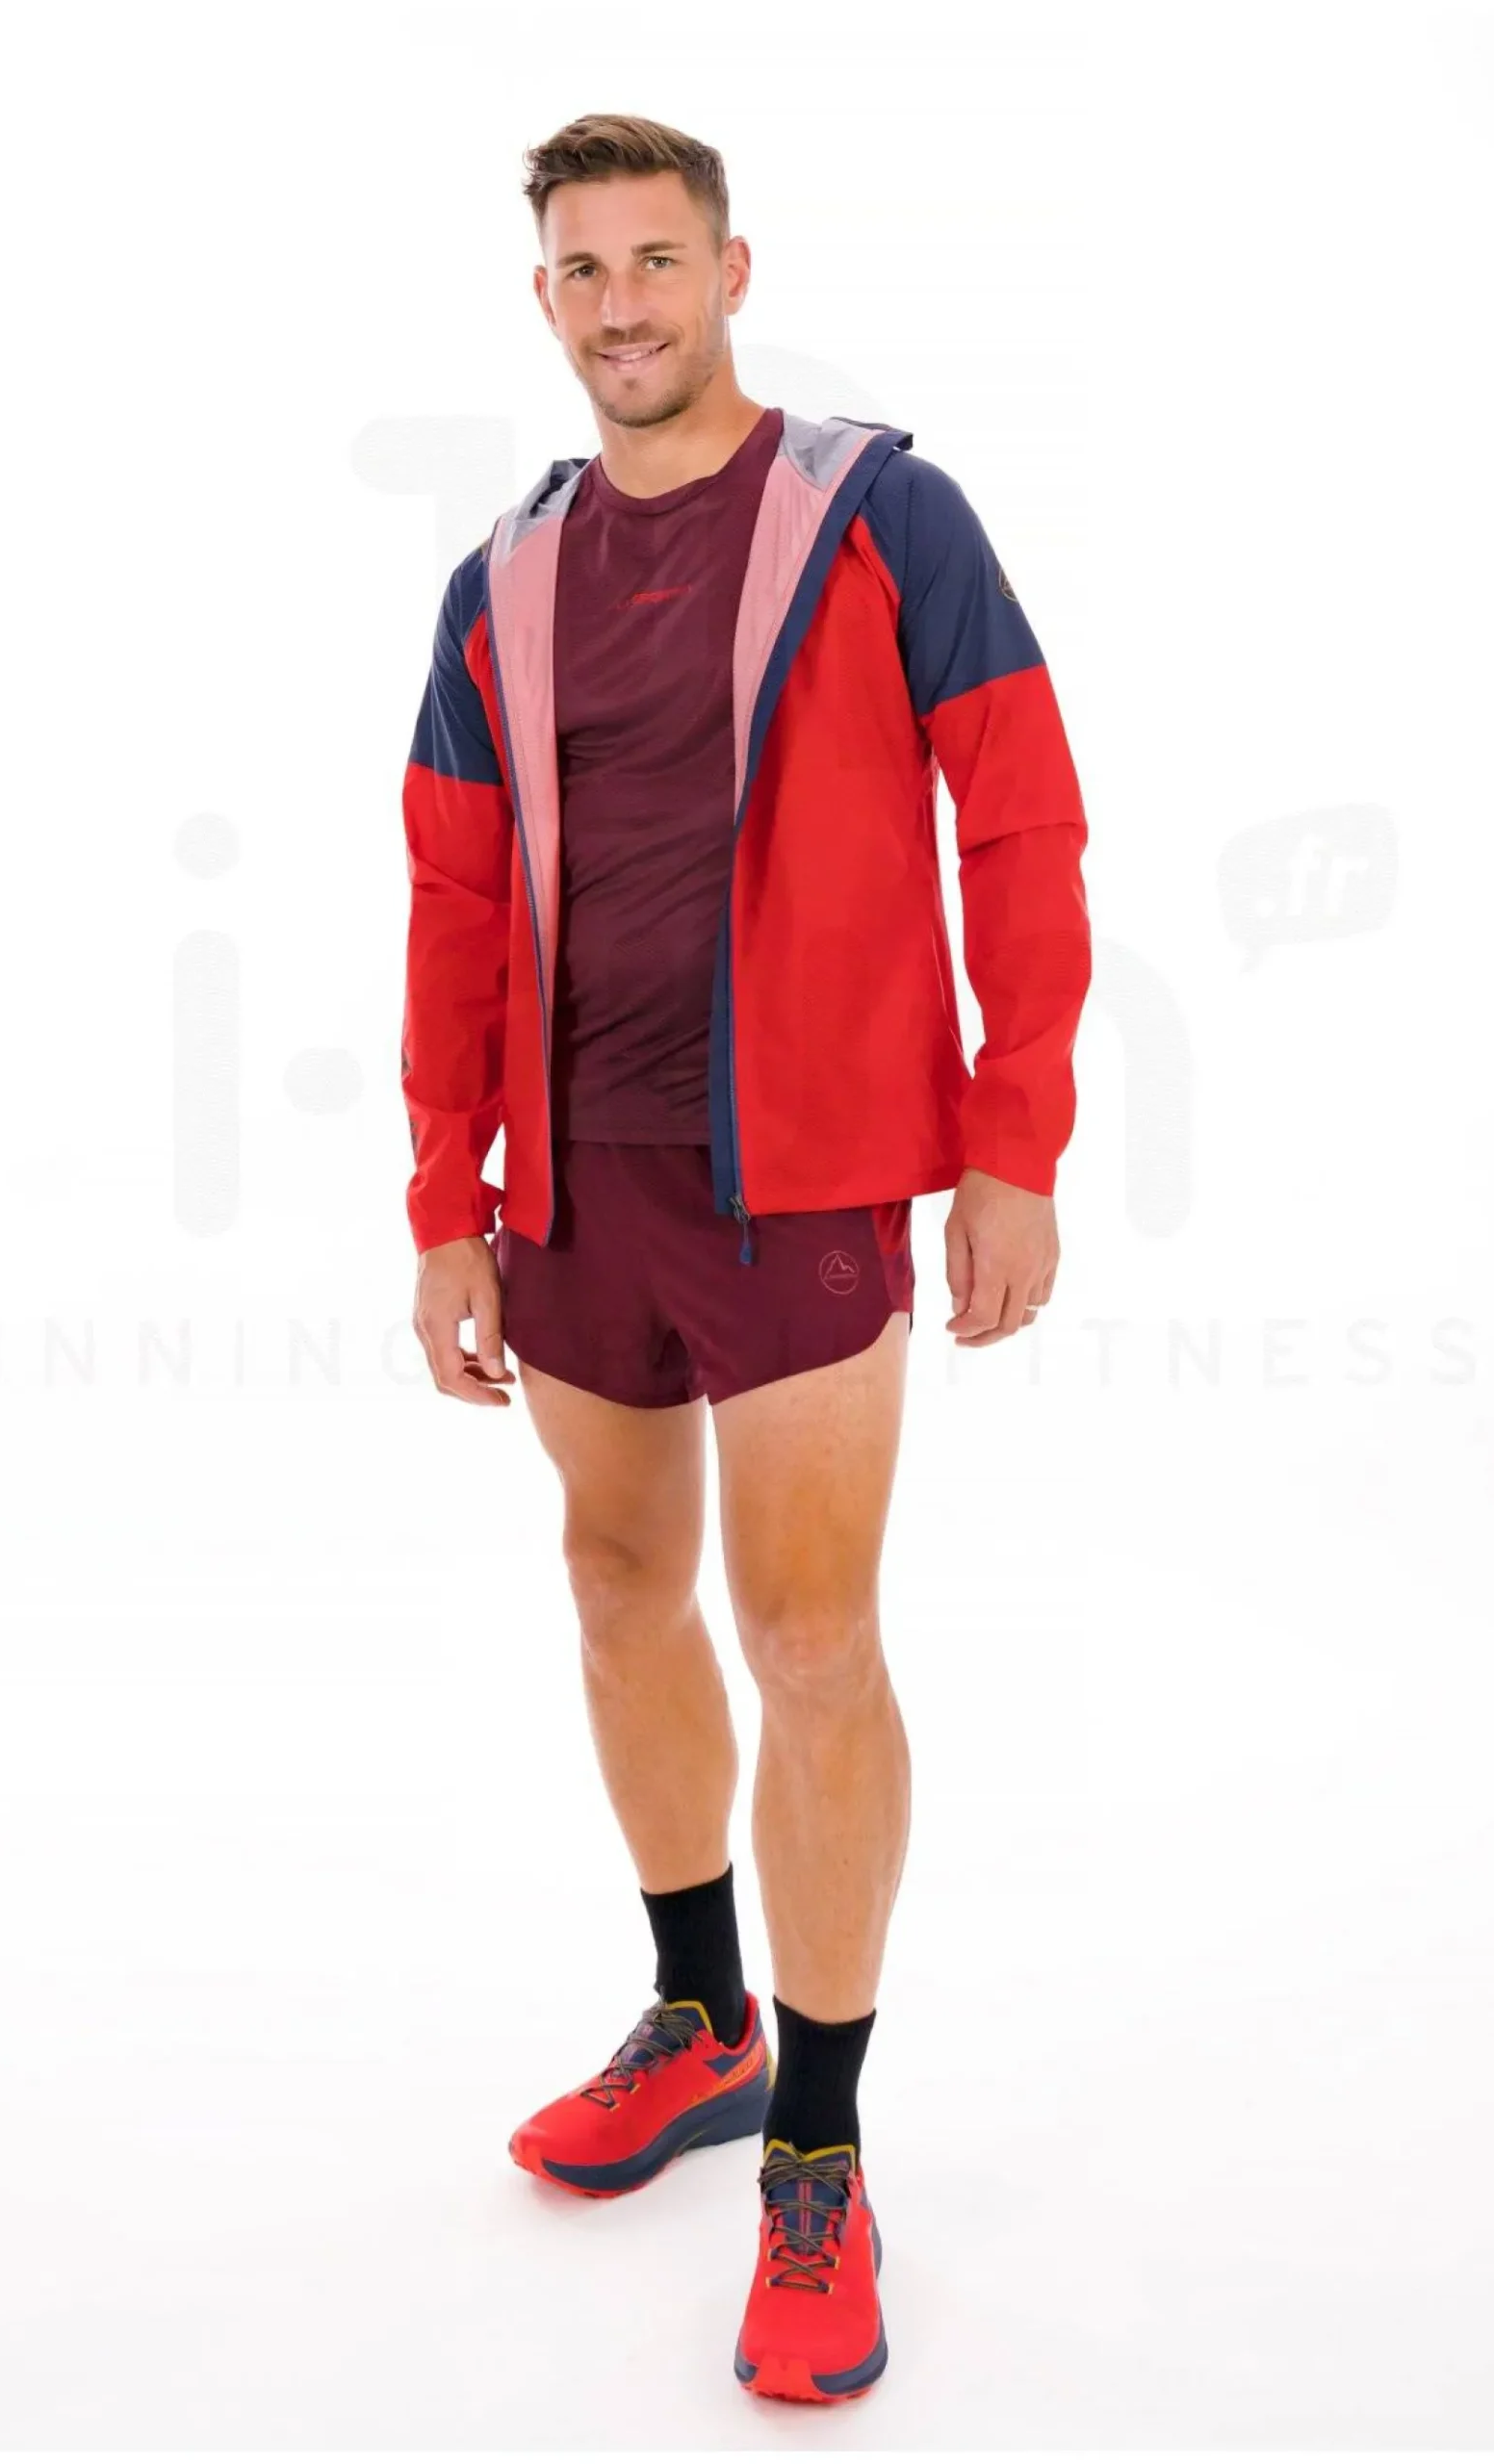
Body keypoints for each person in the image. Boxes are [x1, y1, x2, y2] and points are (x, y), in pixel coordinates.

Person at [400, 111, 1092, 2406]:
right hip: (570, 1178)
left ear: (729, 271)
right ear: (543, 299)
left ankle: (817, 2134)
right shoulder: (499, 574)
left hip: (802, 1174)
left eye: (656, 259)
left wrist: (1009, 1140)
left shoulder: (880, 510)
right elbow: (452, 894)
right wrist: (443, 1193)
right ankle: (696, 2011)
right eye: (582, 268)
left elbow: (1019, 815)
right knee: (616, 1587)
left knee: (806, 1634)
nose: (622, 303)